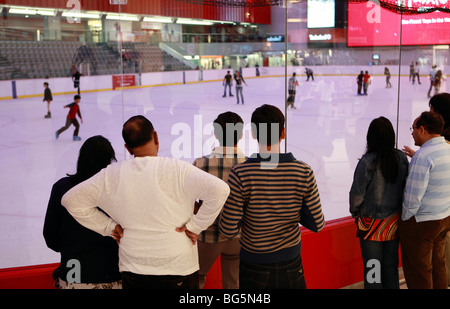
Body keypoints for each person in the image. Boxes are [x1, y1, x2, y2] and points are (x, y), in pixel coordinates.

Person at [61, 115, 230, 289]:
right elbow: (220, 190)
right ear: (156, 137)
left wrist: (108, 227)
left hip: (135, 269)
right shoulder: (179, 169)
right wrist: (195, 226)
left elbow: (70, 200)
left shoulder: (110, 175)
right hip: (179, 266)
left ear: (127, 148)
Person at [219, 104, 325, 289]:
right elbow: (318, 223)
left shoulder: (240, 174)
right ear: (283, 133)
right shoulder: (303, 171)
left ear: (253, 133)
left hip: (253, 265)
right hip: (291, 262)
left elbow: (227, 230)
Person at [43, 135, 121, 289]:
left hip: (74, 270)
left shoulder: (61, 188)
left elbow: (51, 237)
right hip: (112, 272)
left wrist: (72, 247)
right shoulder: (116, 189)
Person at [349, 117, 409, 289]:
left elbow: (357, 195)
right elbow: (406, 188)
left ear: (371, 138)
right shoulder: (401, 158)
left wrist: (355, 213)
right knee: (390, 266)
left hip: (370, 224)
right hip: (393, 222)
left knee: (372, 268)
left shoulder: (367, 162)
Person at [193, 111, 247, 289]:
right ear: (239, 134)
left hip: (208, 237)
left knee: (197, 278)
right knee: (234, 283)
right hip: (239, 237)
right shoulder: (249, 165)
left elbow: (188, 201)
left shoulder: (200, 164)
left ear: (216, 133)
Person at [400, 111, 450, 289]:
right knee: (438, 265)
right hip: (444, 218)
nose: (412, 133)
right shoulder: (447, 148)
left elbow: (413, 197)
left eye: (413, 129)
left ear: (422, 129)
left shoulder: (423, 157)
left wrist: (406, 219)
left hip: (422, 223)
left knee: (419, 271)